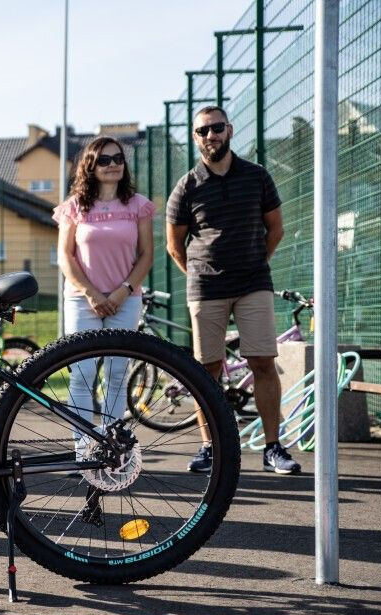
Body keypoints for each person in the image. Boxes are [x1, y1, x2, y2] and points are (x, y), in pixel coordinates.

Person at [166, 105, 298, 475]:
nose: (211, 135)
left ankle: (274, 448)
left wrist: (258, 262)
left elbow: (276, 229)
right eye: (203, 131)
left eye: (217, 128)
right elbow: (174, 246)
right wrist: (200, 274)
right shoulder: (187, 186)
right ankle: (210, 447)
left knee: (262, 362)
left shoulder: (256, 177)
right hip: (206, 287)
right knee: (206, 371)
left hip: (253, 283)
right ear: (196, 138)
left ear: (230, 130)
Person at [54, 137, 154, 433]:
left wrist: (123, 290)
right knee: (82, 375)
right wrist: (91, 293)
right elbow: (64, 255)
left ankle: (113, 450)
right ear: (90, 166)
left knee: (117, 373)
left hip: (126, 300)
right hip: (81, 300)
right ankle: (84, 450)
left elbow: (147, 254)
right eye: (105, 160)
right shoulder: (73, 208)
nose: (113, 165)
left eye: (118, 159)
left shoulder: (139, 206)